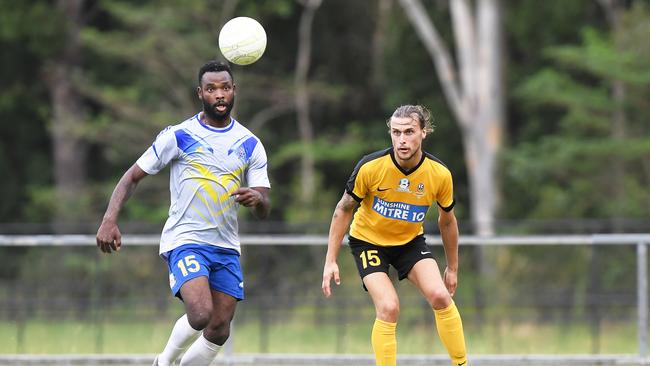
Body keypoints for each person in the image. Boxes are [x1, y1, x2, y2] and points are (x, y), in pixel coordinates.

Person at [96, 60, 271, 366]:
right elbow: (132, 176)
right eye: (212, 88)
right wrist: (109, 219)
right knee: (201, 313)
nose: (220, 94)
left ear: (234, 91)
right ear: (200, 93)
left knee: (219, 328)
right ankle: (163, 362)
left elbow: (264, 207)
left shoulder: (250, 144)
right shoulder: (178, 135)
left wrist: (257, 200)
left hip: (226, 245)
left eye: (225, 88)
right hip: (186, 239)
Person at [321, 105, 468, 366]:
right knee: (389, 307)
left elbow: (447, 222)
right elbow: (343, 209)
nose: (402, 140)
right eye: (396, 132)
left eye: (409, 132)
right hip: (368, 242)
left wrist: (453, 268)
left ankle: (461, 364)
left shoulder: (439, 174)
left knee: (440, 296)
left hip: (409, 242)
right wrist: (330, 260)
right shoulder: (371, 166)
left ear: (424, 132)